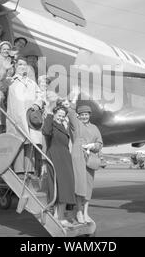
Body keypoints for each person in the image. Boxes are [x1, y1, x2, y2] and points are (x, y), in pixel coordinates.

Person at [65, 88, 103, 224]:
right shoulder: (77, 124)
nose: (84, 116)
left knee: (88, 186)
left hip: (90, 158)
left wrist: (93, 146)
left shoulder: (95, 128)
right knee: (80, 185)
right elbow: (70, 112)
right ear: (79, 116)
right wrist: (74, 98)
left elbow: (100, 143)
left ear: (89, 115)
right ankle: (79, 212)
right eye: (82, 114)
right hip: (78, 156)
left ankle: (86, 212)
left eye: (86, 114)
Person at [6, 56, 43, 174]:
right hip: (16, 116)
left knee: (30, 143)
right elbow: (1, 83)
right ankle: (19, 170)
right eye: (20, 64)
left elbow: (40, 95)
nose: (22, 67)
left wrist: (37, 104)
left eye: (24, 64)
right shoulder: (11, 80)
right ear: (15, 67)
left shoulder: (32, 82)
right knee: (19, 143)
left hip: (30, 117)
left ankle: (30, 170)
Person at [42, 104, 76, 227]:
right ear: (54, 114)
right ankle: (60, 217)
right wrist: (50, 115)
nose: (61, 118)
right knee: (61, 187)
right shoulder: (51, 123)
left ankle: (58, 215)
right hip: (55, 157)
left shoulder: (62, 125)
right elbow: (46, 131)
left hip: (65, 158)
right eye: (59, 115)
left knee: (67, 186)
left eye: (63, 116)